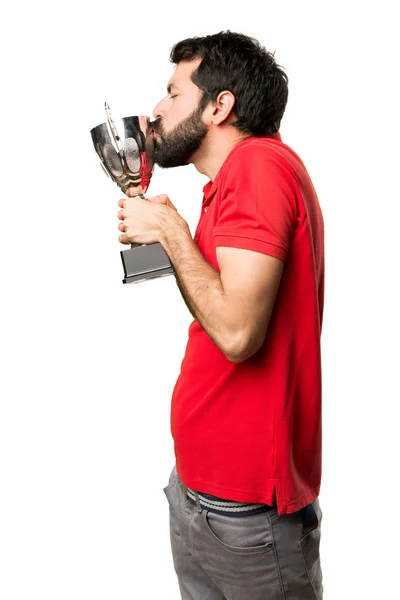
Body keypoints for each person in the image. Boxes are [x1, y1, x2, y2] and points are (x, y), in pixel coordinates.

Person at [117, 30, 325, 600]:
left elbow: (237, 332)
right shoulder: (228, 182)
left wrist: (170, 231)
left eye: (172, 92)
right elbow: (217, 298)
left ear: (219, 105)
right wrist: (161, 228)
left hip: (247, 517)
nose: (155, 109)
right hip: (199, 495)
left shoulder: (258, 167)